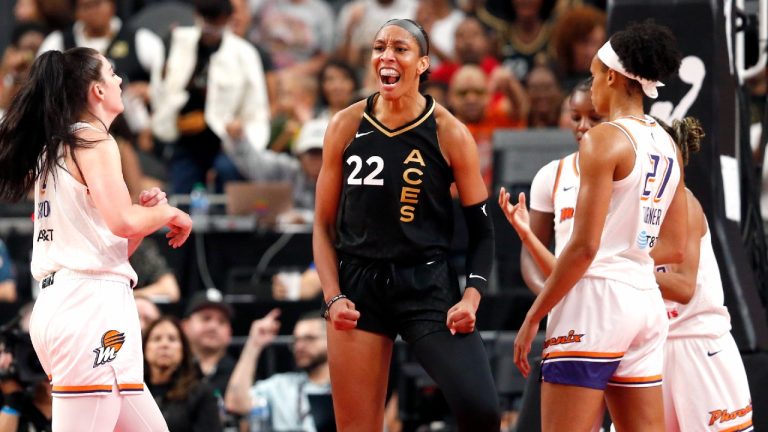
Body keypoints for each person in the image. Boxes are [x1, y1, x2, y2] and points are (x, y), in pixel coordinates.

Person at [313, 19, 500, 431]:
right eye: (380, 47)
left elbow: (483, 231)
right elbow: (323, 226)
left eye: (401, 48)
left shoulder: (450, 132)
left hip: (426, 282)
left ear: (422, 64)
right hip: (359, 284)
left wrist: (471, 297)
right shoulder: (345, 125)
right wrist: (332, 298)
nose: (387, 56)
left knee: (482, 411)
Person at [506, 21, 686, 431]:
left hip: (594, 300)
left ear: (611, 75)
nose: (592, 86)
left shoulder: (604, 139)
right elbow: (674, 245)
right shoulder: (668, 141)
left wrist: (535, 314)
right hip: (643, 298)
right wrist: (625, 252)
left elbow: (584, 248)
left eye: (592, 76)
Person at [0, 47, 192, 431]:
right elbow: (122, 221)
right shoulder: (94, 141)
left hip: (81, 299)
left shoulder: (55, 148)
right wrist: (169, 213)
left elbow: (112, 246)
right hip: (88, 309)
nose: (120, 80)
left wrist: (146, 218)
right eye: (112, 73)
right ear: (97, 91)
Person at [652, 118, 753, 432]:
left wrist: (624, 268)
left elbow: (684, 288)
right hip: (653, 346)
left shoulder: (682, 202)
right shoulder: (632, 210)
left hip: (697, 345)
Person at [519, 78, 603, 294]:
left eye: (594, 118)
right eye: (575, 117)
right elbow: (530, 254)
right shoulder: (551, 175)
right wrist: (550, 295)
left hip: (620, 302)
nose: (582, 126)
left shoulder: (635, 173)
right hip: (568, 303)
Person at [225, 310, 333, 432]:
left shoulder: (349, 388)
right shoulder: (281, 386)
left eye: (309, 338)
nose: (299, 346)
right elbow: (235, 404)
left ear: (331, 339)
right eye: (296, 340)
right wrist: (254, 344)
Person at [143, 316, 222, 432]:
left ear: (183, 350)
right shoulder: (132, 391)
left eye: (172, 339)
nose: (164, 344)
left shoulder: (202, 393)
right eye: (156, 339)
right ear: (144, 348)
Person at [181, 289, 236, 398]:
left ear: (230, 333)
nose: (213, 327)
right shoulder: (172, 369)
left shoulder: (240, 373)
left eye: (222, 321)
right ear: (185, 326)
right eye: (206, 318)